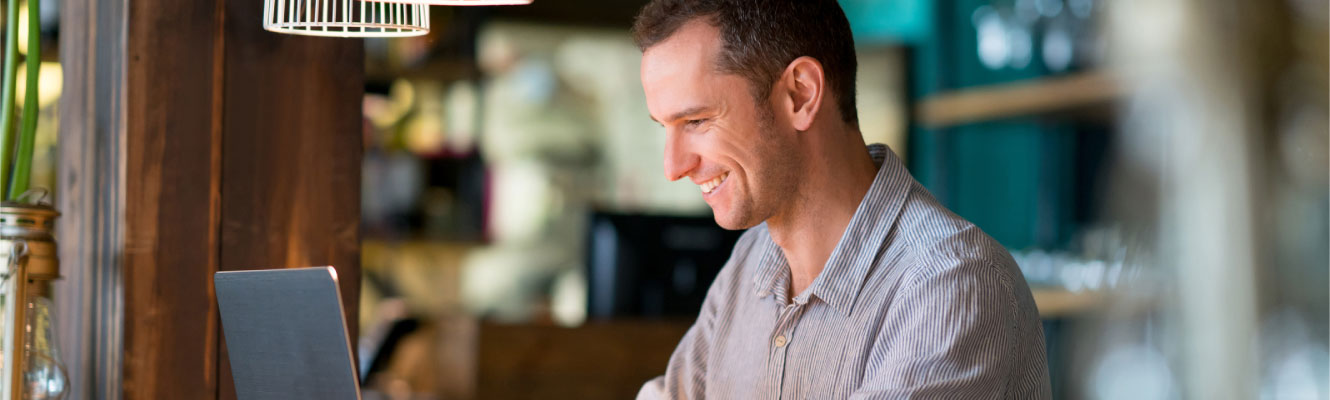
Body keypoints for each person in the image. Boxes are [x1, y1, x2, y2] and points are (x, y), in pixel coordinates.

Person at [631, 0, 1051, 398]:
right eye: (664, 127)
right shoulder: (751, 261)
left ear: (801, 94)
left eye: (697, 120)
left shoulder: (950, 284)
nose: (673, 166)